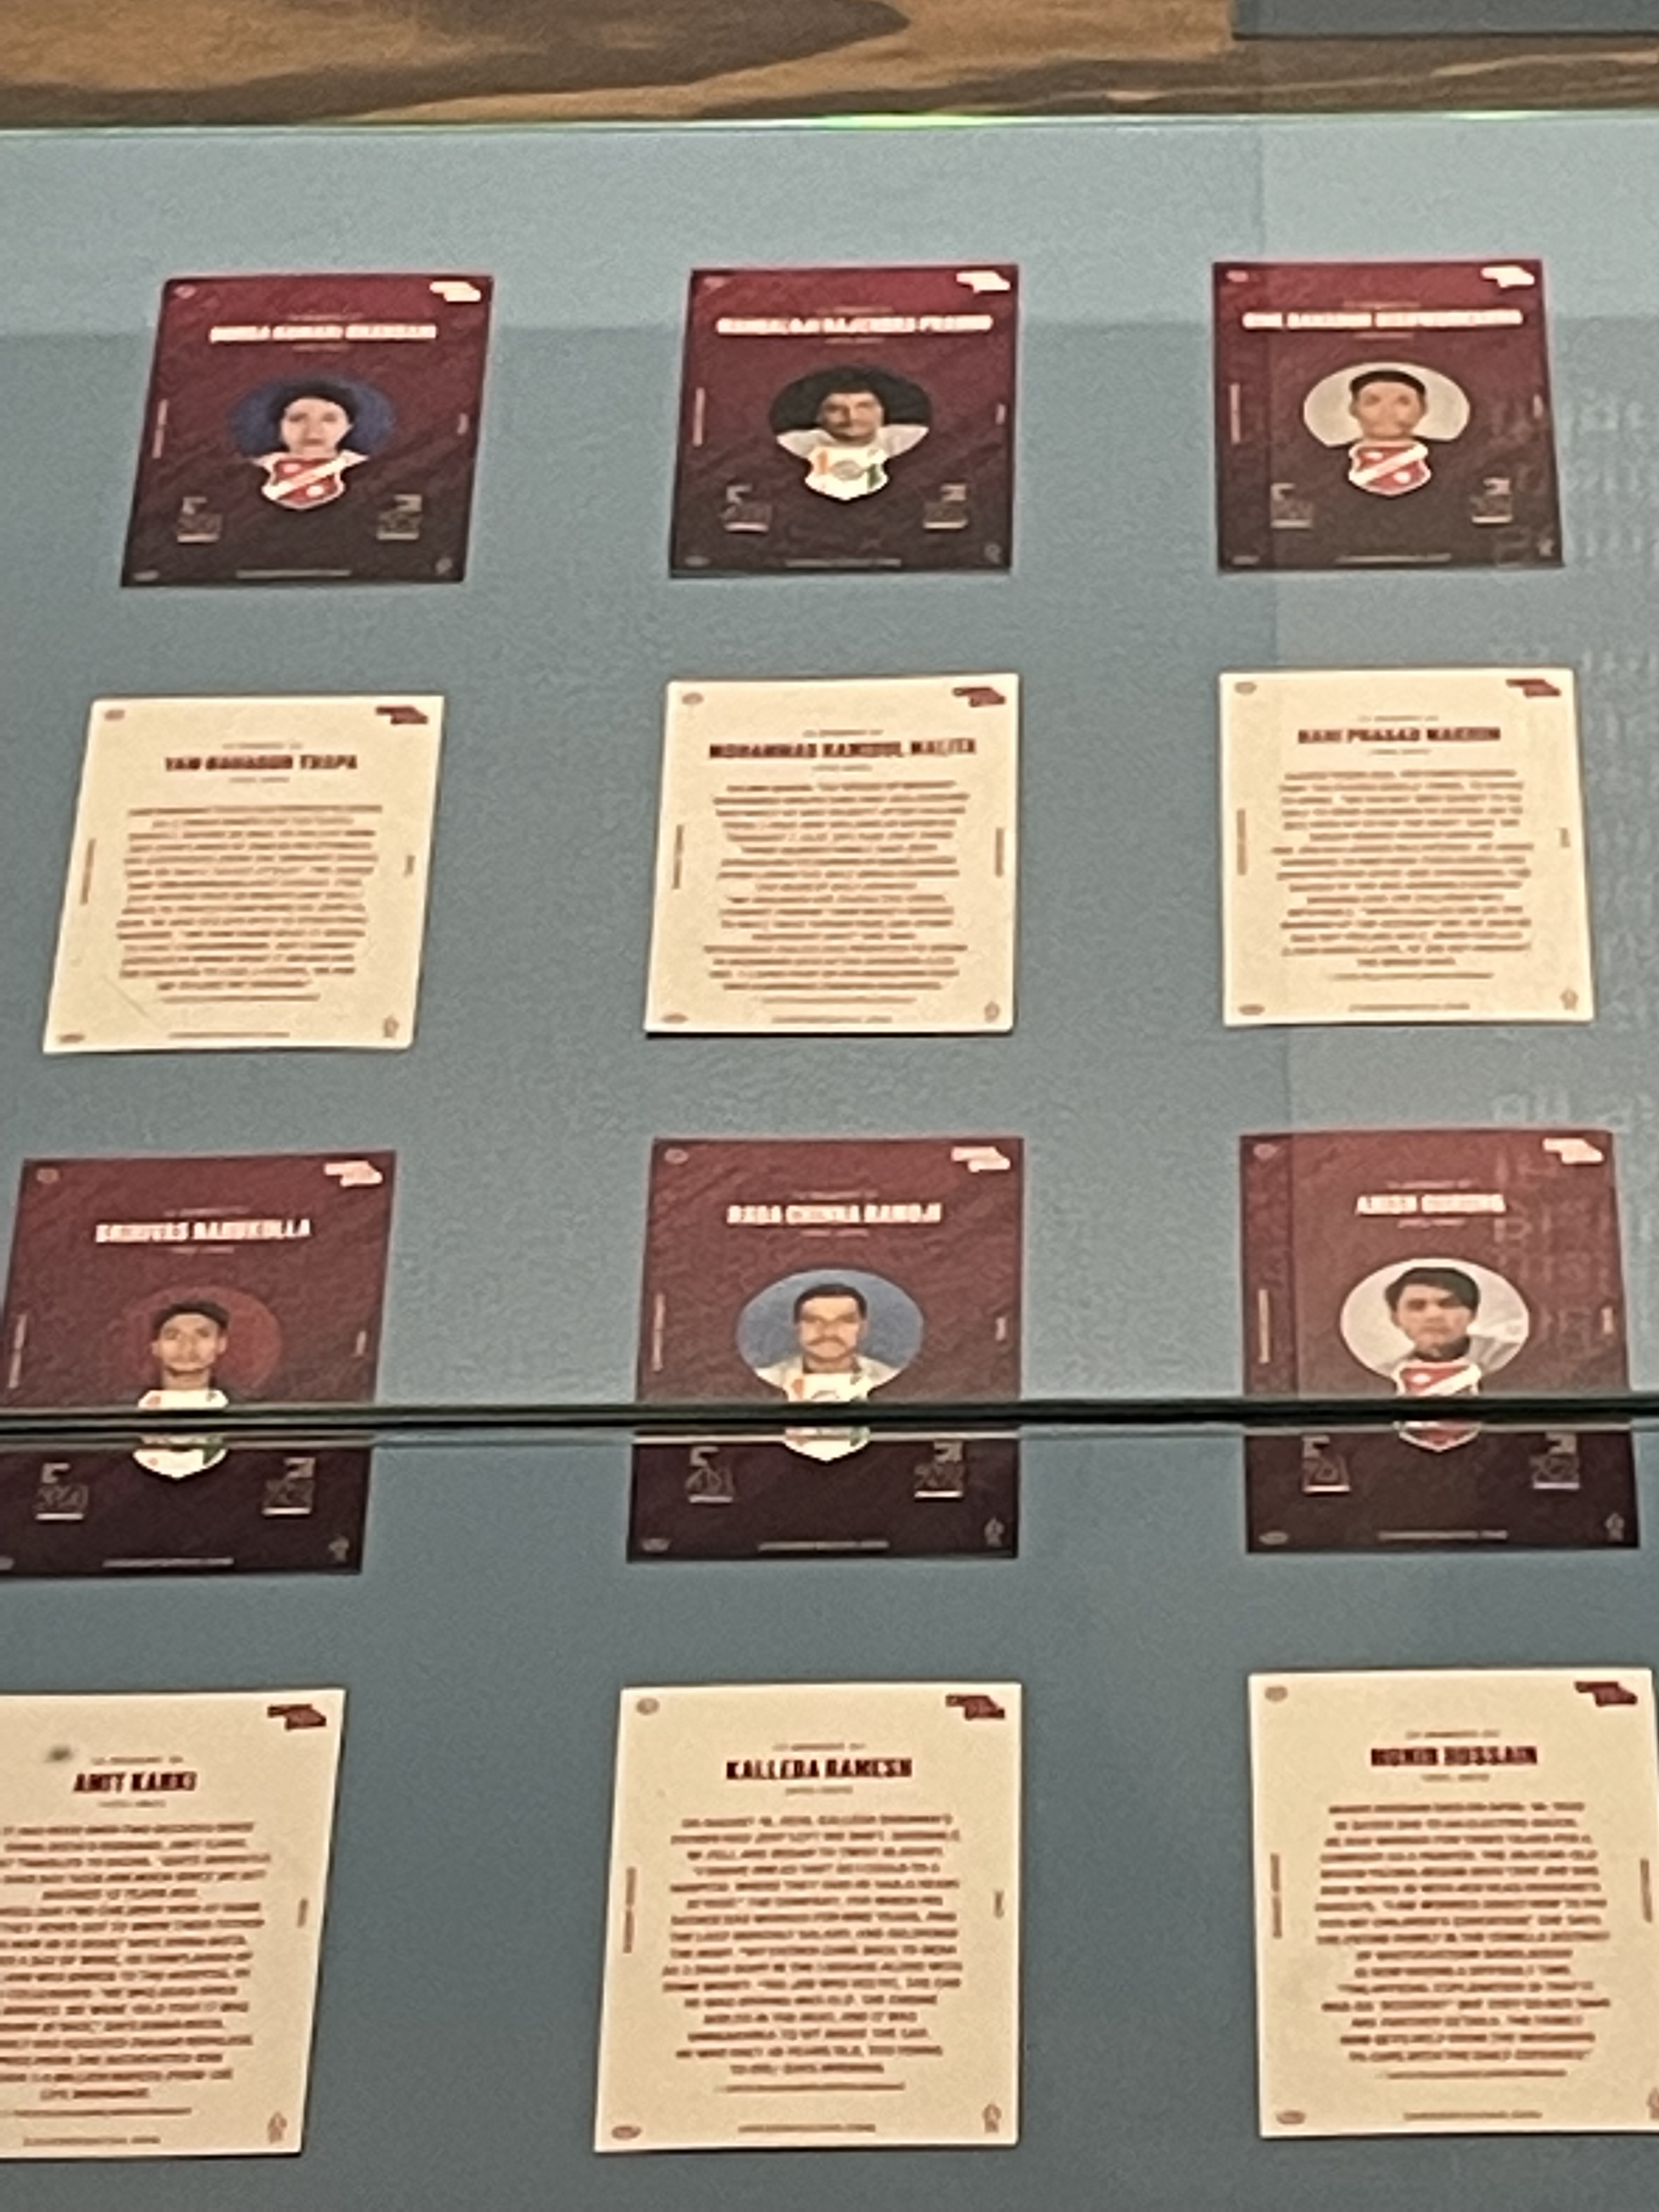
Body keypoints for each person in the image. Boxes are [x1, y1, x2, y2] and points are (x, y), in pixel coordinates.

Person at [754, 1282, 900, 1463]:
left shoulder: (891, 1380)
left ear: (863, 1328)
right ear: (797, 1327)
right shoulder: (765, 1381)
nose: (829, 1331)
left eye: (845, 1321)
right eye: (814, 1321)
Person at [771, 369, 929, 503]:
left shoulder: (906, 438)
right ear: (818, 416)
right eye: (835, 409)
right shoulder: (795, 443)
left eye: (864, 407)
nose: (852, 417)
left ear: (883, 412)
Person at [134, 1299, 232, 1480]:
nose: (187, 1346)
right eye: (172, 1336)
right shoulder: (125, 1416)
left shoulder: (246, 1417)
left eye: (202, 1335)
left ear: (221, 1344)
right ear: (155, 1347)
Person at [247, 381, 368, 511]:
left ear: (348, 427)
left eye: (329, 420)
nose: (313, 432)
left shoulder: (369, 474)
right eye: (297, 419)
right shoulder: (248, 475)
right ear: (279, 426)